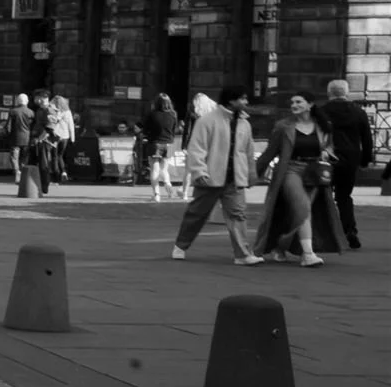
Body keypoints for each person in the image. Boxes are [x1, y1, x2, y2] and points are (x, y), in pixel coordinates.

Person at [171, 85, 260, 265]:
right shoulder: (208, 121)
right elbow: (197, 148)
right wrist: (199, 171)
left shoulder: (245, 123)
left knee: (238, 215)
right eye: (242, 99)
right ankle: (181, 245)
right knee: (197, 213)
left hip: (234, 178)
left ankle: (242, 254)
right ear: (231, 100)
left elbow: (248, 151)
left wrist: (251, 173)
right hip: (211, 176)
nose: (246, 102)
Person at [253, 90, 340, 267]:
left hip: (314, 172)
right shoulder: (283, 126)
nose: (294, 105)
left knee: (299, 212)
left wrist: (326, 153)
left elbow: (330, 147)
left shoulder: (323, 125)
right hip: (290, 169)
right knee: (303, 207)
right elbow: (270, 151)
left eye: (299, 102)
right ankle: (308, 255)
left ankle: (281, 245)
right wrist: (253, 173)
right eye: (292, 102)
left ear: (310, 105)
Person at [321, 79, 372, 250]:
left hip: (327, 158)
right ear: (346, 92)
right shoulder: (359, 112)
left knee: (322, 197)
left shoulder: (322, 111)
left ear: (329, 93)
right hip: (350, 159)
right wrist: (365, 160)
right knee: (344, 197)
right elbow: (366, 139)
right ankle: (350, 230)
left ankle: (326, 234)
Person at [139, 94, 180, 203]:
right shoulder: (173, 114)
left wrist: (146, 136)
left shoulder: (152, 114)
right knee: (164, 169)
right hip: (169, 144)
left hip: (155, 144)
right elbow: (174, 129)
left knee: (154, 169)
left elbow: (145, 129)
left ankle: (157, 195)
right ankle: (167, 183)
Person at [48, 94, 75, 182]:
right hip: (65, 136)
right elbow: (71, 125)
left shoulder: (54, 111)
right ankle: (64, 172)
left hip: (56, 135)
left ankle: (56, 175)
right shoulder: (68, 112)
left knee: (54, 156)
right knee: (60, 155)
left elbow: (52, 121)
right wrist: (72, 138)